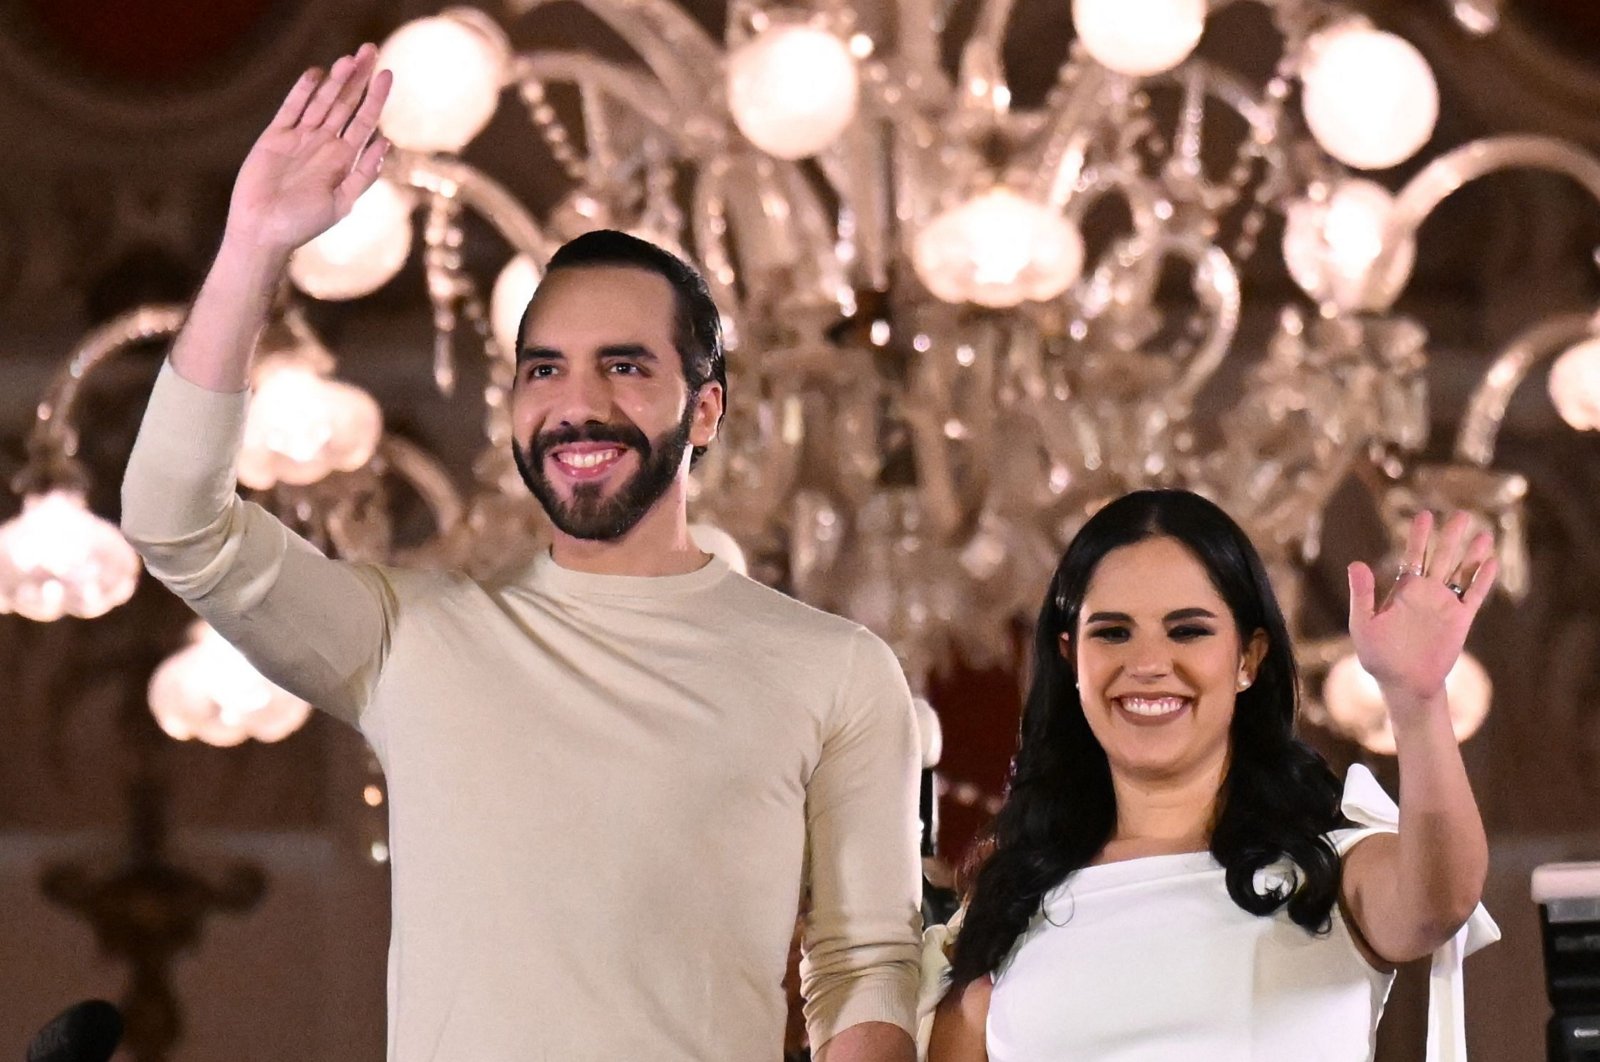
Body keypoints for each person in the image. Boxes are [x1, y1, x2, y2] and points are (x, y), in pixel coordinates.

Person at [120, 45, 922, 1062]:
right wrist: (253, 248)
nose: (577, 403)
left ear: (706, 410)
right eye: (544, 370)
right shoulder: (408, 638)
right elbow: (174, 521)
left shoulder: (835, 669)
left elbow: (864, 965)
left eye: (624, 366)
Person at [926, 489, 1499, 1060]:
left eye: (1188, 630)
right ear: (1071, 656)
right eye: (1113, 632)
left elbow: (1439, 902)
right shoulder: (1007, 909)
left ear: (1248, 659)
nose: (1148, 665)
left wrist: (1416, 699)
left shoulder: (1329, 867)